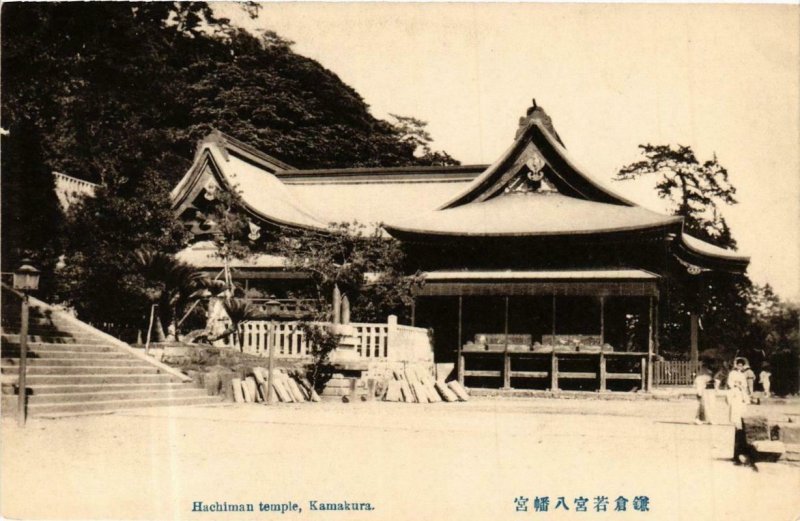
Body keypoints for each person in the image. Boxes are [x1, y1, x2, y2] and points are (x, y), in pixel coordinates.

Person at [727, 358, 750, 463]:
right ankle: (735, 420)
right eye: (738, 365)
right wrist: (735, 385)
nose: (740, 367)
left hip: (741, 391)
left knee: (741, 406)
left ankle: (740, 420)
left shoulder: (742, 374)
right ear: (736, 365)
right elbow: (729, 382)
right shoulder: (732, 373)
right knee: (735, 405)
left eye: (741, 365)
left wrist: (742, 386)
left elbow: (745, 384)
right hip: (735, 391)